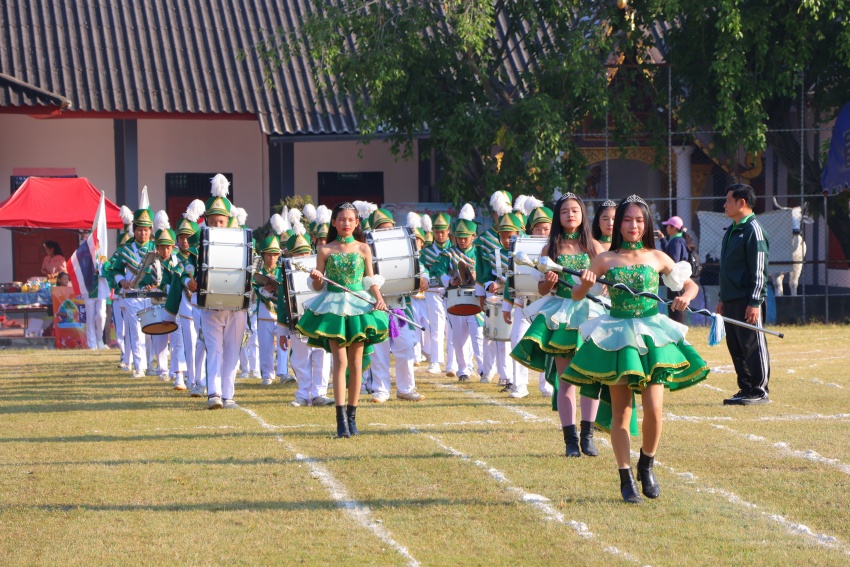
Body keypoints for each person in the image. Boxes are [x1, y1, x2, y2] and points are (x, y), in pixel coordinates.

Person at [564, 194, 709, 504]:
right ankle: (625, 476)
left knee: (654, 410)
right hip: (617, 336)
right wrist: (586, 283)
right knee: (622, 412)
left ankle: (647, 462)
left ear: (647, 224)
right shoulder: (605, 258)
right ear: (619, 224)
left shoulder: (657, 256)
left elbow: (690, 284)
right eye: (627, 220)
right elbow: (577, 295)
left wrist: (686, 297)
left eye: (639, 220)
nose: (633, 225)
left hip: (650, 335)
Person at [510, 193, 606, 458]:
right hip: (562, 315)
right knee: (566, 380)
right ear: (558, 217)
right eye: (564, 211)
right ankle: (570, 440)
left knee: (591, 377)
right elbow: (541, 289)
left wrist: (602, 288)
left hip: (591, 314)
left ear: (582, 214)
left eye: (574, 210)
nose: (570, 215)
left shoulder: (594, 247)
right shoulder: (549, 249)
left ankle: (587, 436)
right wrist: (549, 283)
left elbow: (604, 283)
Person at [295, 202, 390, 438]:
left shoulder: (364, 248)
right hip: (334, 306)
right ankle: (340, 421)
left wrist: (379, 299)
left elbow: (370, 280)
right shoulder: (324, 250)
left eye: (350, 220)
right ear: (334, 222)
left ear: (357, 223)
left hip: (359, 305)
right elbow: (318, 286)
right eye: (341, 219)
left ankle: (352, 417)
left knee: (356, 362)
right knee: (340, 360)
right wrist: (317, 277)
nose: (346, 223)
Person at [198, 174, 250, 409]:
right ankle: (214, 393)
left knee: (232, 352)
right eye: (213, 221)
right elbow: (191, 269)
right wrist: (192, 281)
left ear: (228, 220)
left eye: (221, 221)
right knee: (214, 350)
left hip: (237, 307)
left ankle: (228, 395)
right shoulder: (199, 242)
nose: (217, 225)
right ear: (206, 221)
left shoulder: (242, 240)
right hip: (211, 307)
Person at [365, 208, 427, 403]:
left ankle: (406, 388)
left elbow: (420, 271)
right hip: (376, 308)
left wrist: (423, 279)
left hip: (400, 306)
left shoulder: (404, 247)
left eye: (388, 228)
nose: (386, 232)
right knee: (378, 351)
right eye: (381, 229)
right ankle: (381, 390)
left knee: (406, 347)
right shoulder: (366, 251)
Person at [718, 184, 771, 406]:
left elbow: (759, 270)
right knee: (736, 346)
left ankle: (759, 390)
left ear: (742, 203)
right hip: (730, 299)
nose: (724, 205)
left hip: (747, 300)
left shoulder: (753, 230)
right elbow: (726, 268)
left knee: (752, 345)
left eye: (728, 201)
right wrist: (722, 298)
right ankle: (746, 388)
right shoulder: (732, 230)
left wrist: (755, 302)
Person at [277, 220, 334, 407]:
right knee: (300, 359)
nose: (303, 257)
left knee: (322, 357)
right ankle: (302, 394)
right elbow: (282, 304)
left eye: (305, 253)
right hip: (298, 322)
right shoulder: (285, 274)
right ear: (289, 255)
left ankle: (319, 393)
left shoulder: (322, 268)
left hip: (320, 320)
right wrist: (283, 332)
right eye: (298, 254)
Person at [109, 206, 156, 378]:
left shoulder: (156, 248)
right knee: (136, 330)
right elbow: (115, 269)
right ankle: (138, 367)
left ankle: (150, 364)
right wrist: (122, 281)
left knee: (151, 331)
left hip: (152, 294)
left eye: (146, 230)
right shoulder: (125, 249)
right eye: (139, 230)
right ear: (134, 230)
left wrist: (155, 284)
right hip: (132, 294)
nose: (143, 233)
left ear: (150, 230)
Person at [655, 215, 697, 324]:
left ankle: (678, 328)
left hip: (675, 279)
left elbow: (672, 260)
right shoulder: (680, 240)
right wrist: (663, 240)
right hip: (680, 277)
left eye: (668, 226)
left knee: (676, 307)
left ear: (673, 227)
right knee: (678, 305)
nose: (666, 228)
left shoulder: (676, 241)